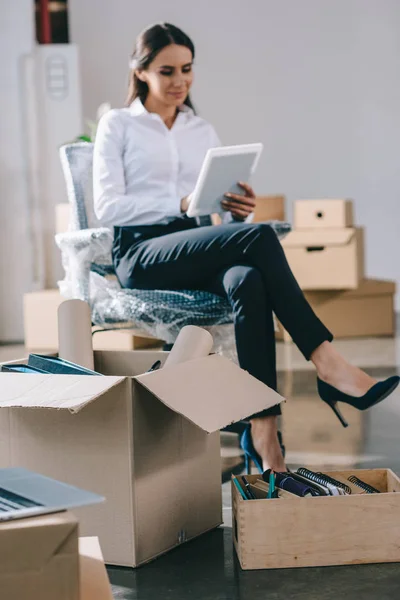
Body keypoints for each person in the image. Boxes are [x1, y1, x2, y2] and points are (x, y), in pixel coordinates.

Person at [93, 22, 399, 473]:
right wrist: (177, 204)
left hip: (196, 244)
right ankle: (327, 361)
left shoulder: (201, 130)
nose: (180, 81)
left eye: (188, 69)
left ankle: (263, 429)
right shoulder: (118, 125)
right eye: (167, 71)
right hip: (142, 253)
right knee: (259, 238)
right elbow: (106, 206)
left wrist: (238, 211)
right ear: (140, 72)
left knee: (248, 278)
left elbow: (214, 214)